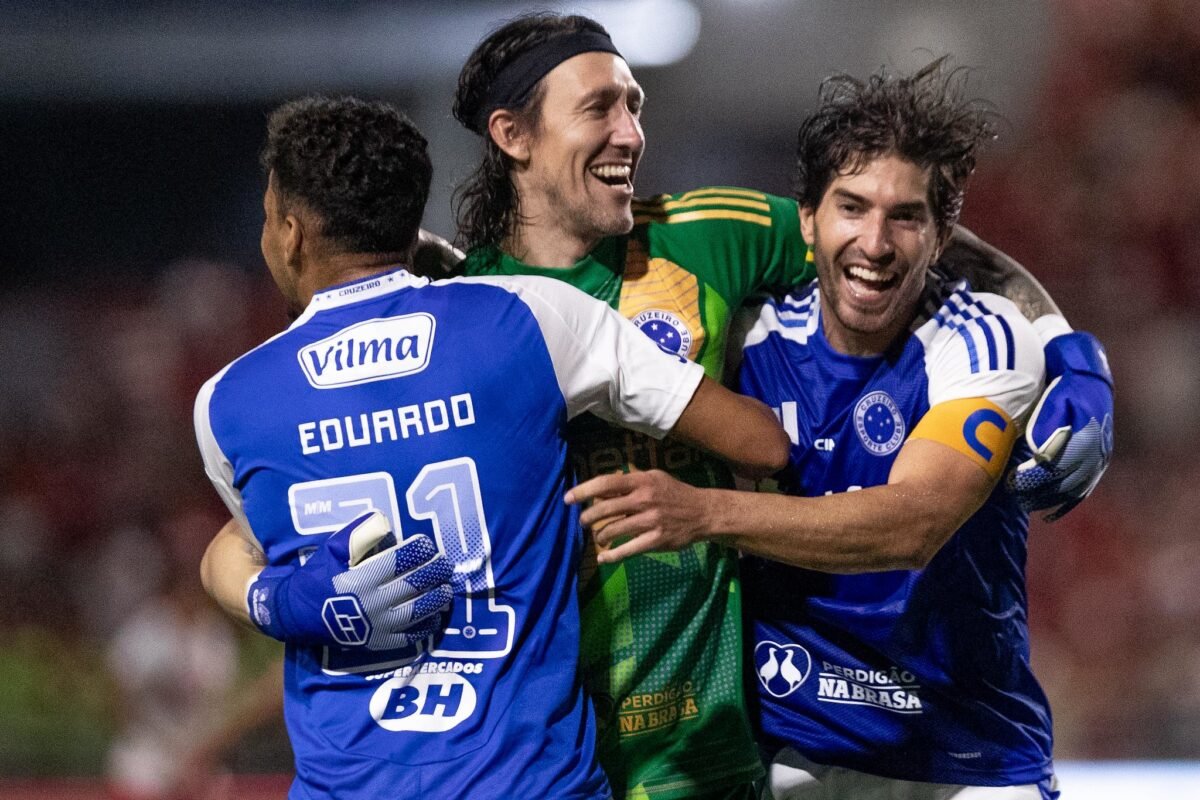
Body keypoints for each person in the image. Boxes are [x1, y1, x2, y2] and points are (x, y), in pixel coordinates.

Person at [449, 12, 1110, 799]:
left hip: (721, 752)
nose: (631, 133)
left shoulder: (706, 236)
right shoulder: (457, 308)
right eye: (601, 108)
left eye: (636, 106)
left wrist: (1070, 353)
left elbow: (912, 241)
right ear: (513, 135)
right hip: (555, 748)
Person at [194, 96, 789, 799]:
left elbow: (240, 548)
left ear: (291, 234)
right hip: (533, 783)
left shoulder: (229, 404)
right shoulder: (533, 317)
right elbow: (761, 445)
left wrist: (274, 602)